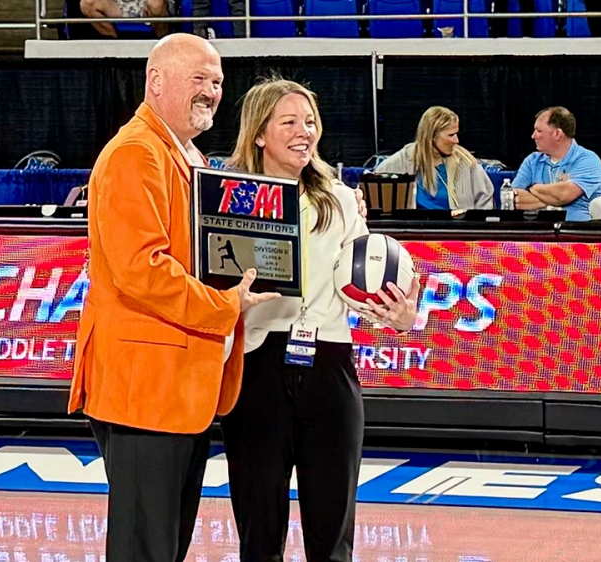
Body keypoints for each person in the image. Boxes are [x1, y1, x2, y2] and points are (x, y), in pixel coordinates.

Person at [67, 33, 280, 561]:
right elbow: (141, 270)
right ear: (156, 81)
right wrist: (225, 305)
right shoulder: (136, 154)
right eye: (198, 78)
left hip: (178, 387)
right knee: (145, 548)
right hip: (145, 387)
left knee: (165, 544)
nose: (211, 91)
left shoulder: (186, 154)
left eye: (217, 81)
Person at [223, 78, 420, 561]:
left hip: (329, 365)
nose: (304, 132)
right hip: (257, 367)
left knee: (332, 535)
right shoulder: (228, 198)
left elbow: (369, 284)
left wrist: (400, 315)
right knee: (259, 531)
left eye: (310, 121)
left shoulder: (341, 199)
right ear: (259, 134)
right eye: (289, 122)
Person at [375, 106, 494, 211]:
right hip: (415, 227)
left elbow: (485, 202)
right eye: (451, 135)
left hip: (456, 228)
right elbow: (375, 184)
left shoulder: (466, 163)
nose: (456, 140)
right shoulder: (404, 160)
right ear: (432, 136)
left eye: (456, 134)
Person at [512, 106, 601, 221]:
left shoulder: (588, 160)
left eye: (539, 131)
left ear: (557, 134)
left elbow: (564, 194)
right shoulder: (532, 161)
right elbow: (514, 199)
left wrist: (532, 187)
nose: (533, 136)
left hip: (575, 228)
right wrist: (554, 201)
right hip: (538, 229)